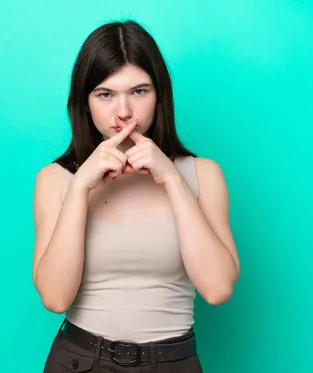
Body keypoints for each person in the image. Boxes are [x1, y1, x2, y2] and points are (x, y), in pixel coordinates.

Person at [32, 20, 240, 372]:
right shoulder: (56, 179)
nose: (124, 112)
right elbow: (54, 298)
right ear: (85, 102)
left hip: (172, 362)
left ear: (160, 97)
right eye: (105, 94)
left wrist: (173, 181)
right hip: (80, 361)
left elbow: (218, 289)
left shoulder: (203, 175)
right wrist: (81, 186)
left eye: (139, 91)